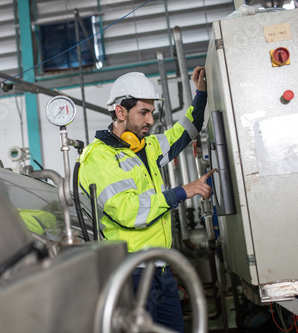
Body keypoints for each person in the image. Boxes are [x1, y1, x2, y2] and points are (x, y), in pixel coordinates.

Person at [78, 67, 213, 332]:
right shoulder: (98, 158)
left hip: (160, 269)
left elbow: (185, 130)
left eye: (151, 112)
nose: (150, 120)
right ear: (120, 112)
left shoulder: (145, 146)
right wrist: (181, 192)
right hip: (131, 273)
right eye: (144, 112)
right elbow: (129, 212)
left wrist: (201, 94)